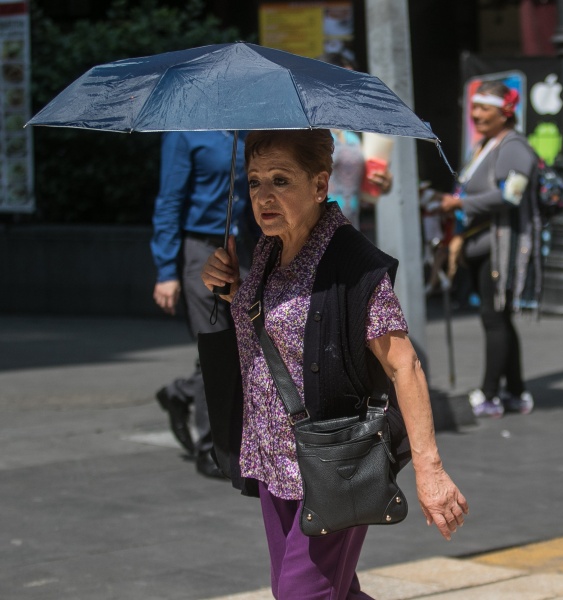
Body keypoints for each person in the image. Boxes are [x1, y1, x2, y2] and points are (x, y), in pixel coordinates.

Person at [200, 129, 467, 599]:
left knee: (299, 595)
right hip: (272, 458)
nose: (264, 196)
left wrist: (431, 471)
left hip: (331, 463)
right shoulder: (269, 248)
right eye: (255, 180)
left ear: (320, 184)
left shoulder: (353, 262)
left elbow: (405, 365)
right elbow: (278, 332)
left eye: (281, 181)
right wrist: (233, 290)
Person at [151, 130, 252, 478]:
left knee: (246, 346)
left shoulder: (248, 132)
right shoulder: (186, 133)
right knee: (216, 349)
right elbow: (169, 200)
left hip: (244, 249)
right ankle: (212, 449)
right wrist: (166, 271)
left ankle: (179, 393)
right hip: (201, 250)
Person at [438, 80, 540, 418]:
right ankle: (516, 392)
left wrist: (461, 202)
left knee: (494, 318)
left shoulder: (514, 147)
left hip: (503, 247)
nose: (477, 115)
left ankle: (490, 394)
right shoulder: (485, 145)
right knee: (499, 318)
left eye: (484, 109)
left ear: (505, 113)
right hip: (484, 245)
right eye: (475, 108)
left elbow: (511, 195)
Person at [317, 52, 393, 230]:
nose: (349, 89)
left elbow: (362, 184)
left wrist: (383, 182)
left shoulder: (352, 134)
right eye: (342, 81)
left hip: (351, 230)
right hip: (316, 233)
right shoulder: (309, 131)